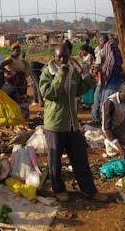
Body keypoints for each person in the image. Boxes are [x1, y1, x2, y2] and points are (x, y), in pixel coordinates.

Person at [39, 44, 107, 202]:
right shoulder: (47, 73)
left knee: (80, 158)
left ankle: (89, 190)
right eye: (59, 57)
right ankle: (58, 190)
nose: (62, 59)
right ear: (54, 57)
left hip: (71, 124)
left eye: (65, 56)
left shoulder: (72, 71)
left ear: (69, 56)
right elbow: (51, 94)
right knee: (55, 161)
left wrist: (90, 77)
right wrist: (60, 75)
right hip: (55, 124)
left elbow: (79, 90)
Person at [102, 84, 125, 158]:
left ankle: (118, 142)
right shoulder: (110, 102)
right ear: (120, 91)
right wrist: (121, 149)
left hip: (120, 125)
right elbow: (107, 128)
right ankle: (109, 141)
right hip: (110, 129)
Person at [79, 44, 95, 109]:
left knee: (89, 89)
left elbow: (89, 65)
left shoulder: (90, 56)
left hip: (88, 74)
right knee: (85, 89)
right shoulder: (83, 57)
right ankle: (86, 103)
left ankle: (90, 103)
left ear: (85, 51)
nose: (81, 53)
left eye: (82, 51)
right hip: (84, 74)